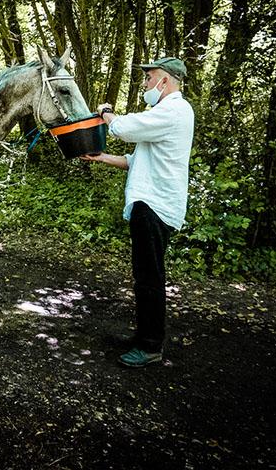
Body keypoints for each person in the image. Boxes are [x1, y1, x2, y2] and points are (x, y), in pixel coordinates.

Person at [82, 57, 194, 368]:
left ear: (165, 81)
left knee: (150, 278)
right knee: (144, 275)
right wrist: (101, 158)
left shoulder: (173, 111)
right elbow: (136, 159)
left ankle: (150, 346)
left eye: (149, 78)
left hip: (155, 206)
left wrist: (105, 113)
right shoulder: (165, 114)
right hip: (151, 204)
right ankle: (145, 336)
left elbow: (123, 128)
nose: (145, 85)